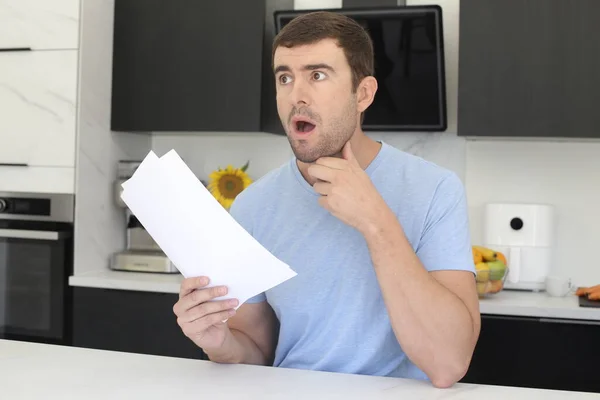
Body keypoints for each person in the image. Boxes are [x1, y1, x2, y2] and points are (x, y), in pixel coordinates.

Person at [173, 11, 480, 389]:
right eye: (284, 77)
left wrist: (375, 221)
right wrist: (220, 343)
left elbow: (448, 363)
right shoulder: (253, 205)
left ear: (363, 93)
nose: (296, 95)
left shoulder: (435, 190)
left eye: (317, 75)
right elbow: (257, 350)